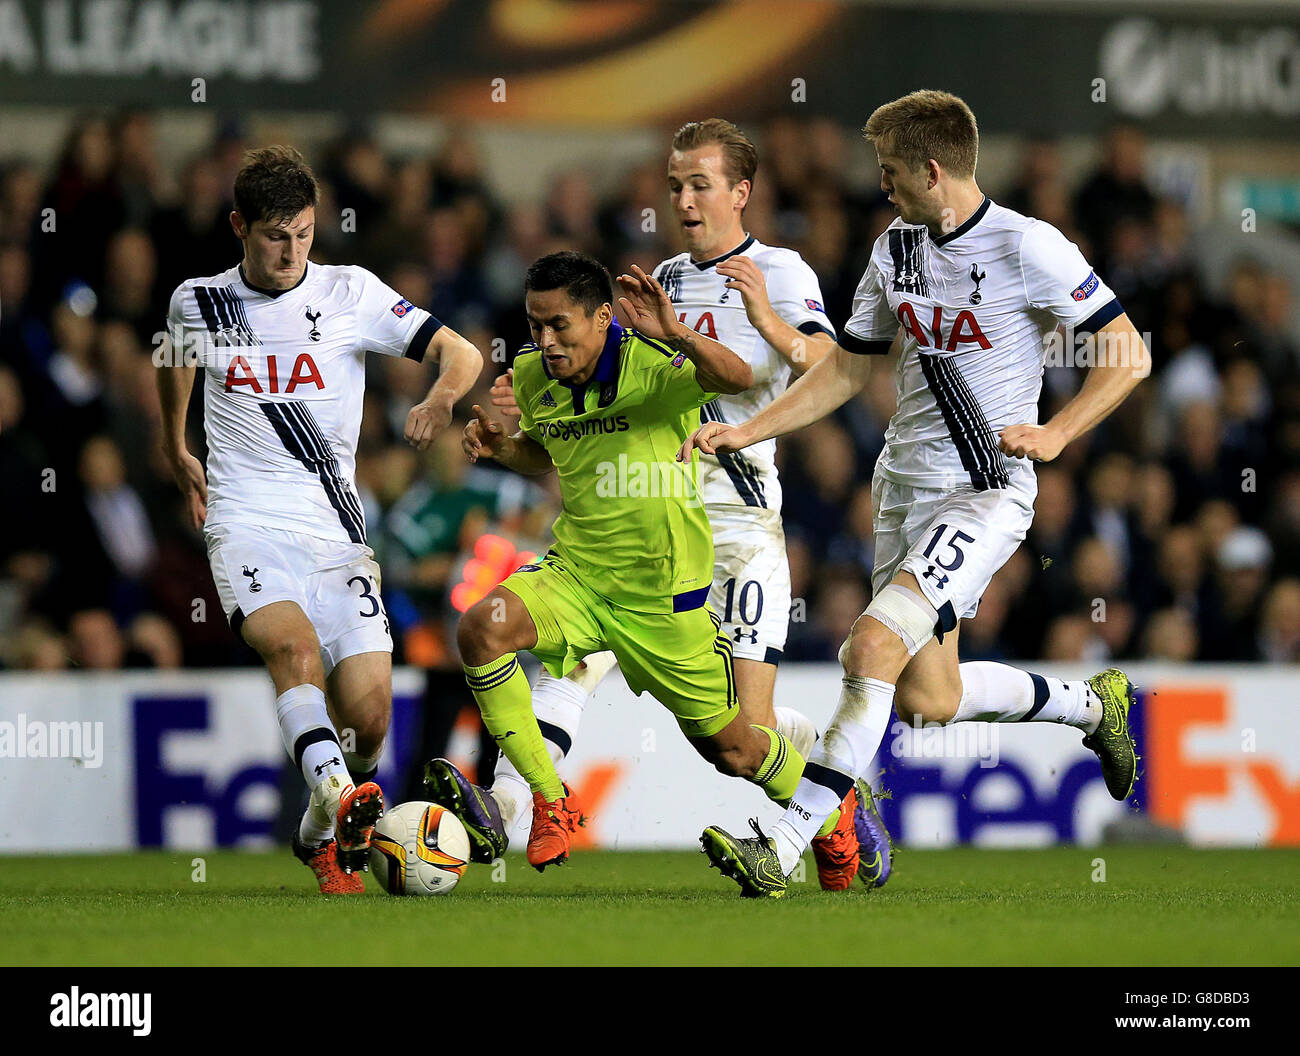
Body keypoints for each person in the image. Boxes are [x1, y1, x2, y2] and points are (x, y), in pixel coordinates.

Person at [682, 91, 1149, 897]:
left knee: (870, 648)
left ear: (932, 169)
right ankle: (1090, 706)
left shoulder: (1027, 245)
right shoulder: (893, 247)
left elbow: (1128, 353)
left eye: (892, 172)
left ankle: (782, 848)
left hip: (984, 489)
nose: (884, 186)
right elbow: (851, 367)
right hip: (903, 487)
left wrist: (1060, 432)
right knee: (930, 697)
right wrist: (751, 431)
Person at [461, 119, 891, 891]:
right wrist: (532, 407)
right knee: (566, 661)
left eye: (699, 185)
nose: (683, 200)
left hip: (740, 525)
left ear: (740, 192)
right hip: (644, 524)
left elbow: (834, 370)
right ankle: (514, 801)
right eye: (674, 186)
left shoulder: (781, 271)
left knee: (741, 739)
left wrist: (765, 324)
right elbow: (605, 410)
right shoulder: (657, 278)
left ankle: (833, 790)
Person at [156, 146, 482, 894]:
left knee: (369, 718)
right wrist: (177, 446)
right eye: (274, 235)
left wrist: (439, 400)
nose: (291, 250)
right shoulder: (197, 301)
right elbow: (171, 356)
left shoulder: (351, 293)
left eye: (303, 233)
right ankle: (341, 798)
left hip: (337, 534)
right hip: (245, 520)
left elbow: (459, 351)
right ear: (239, 226)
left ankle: (321, 829)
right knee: (294, 653)